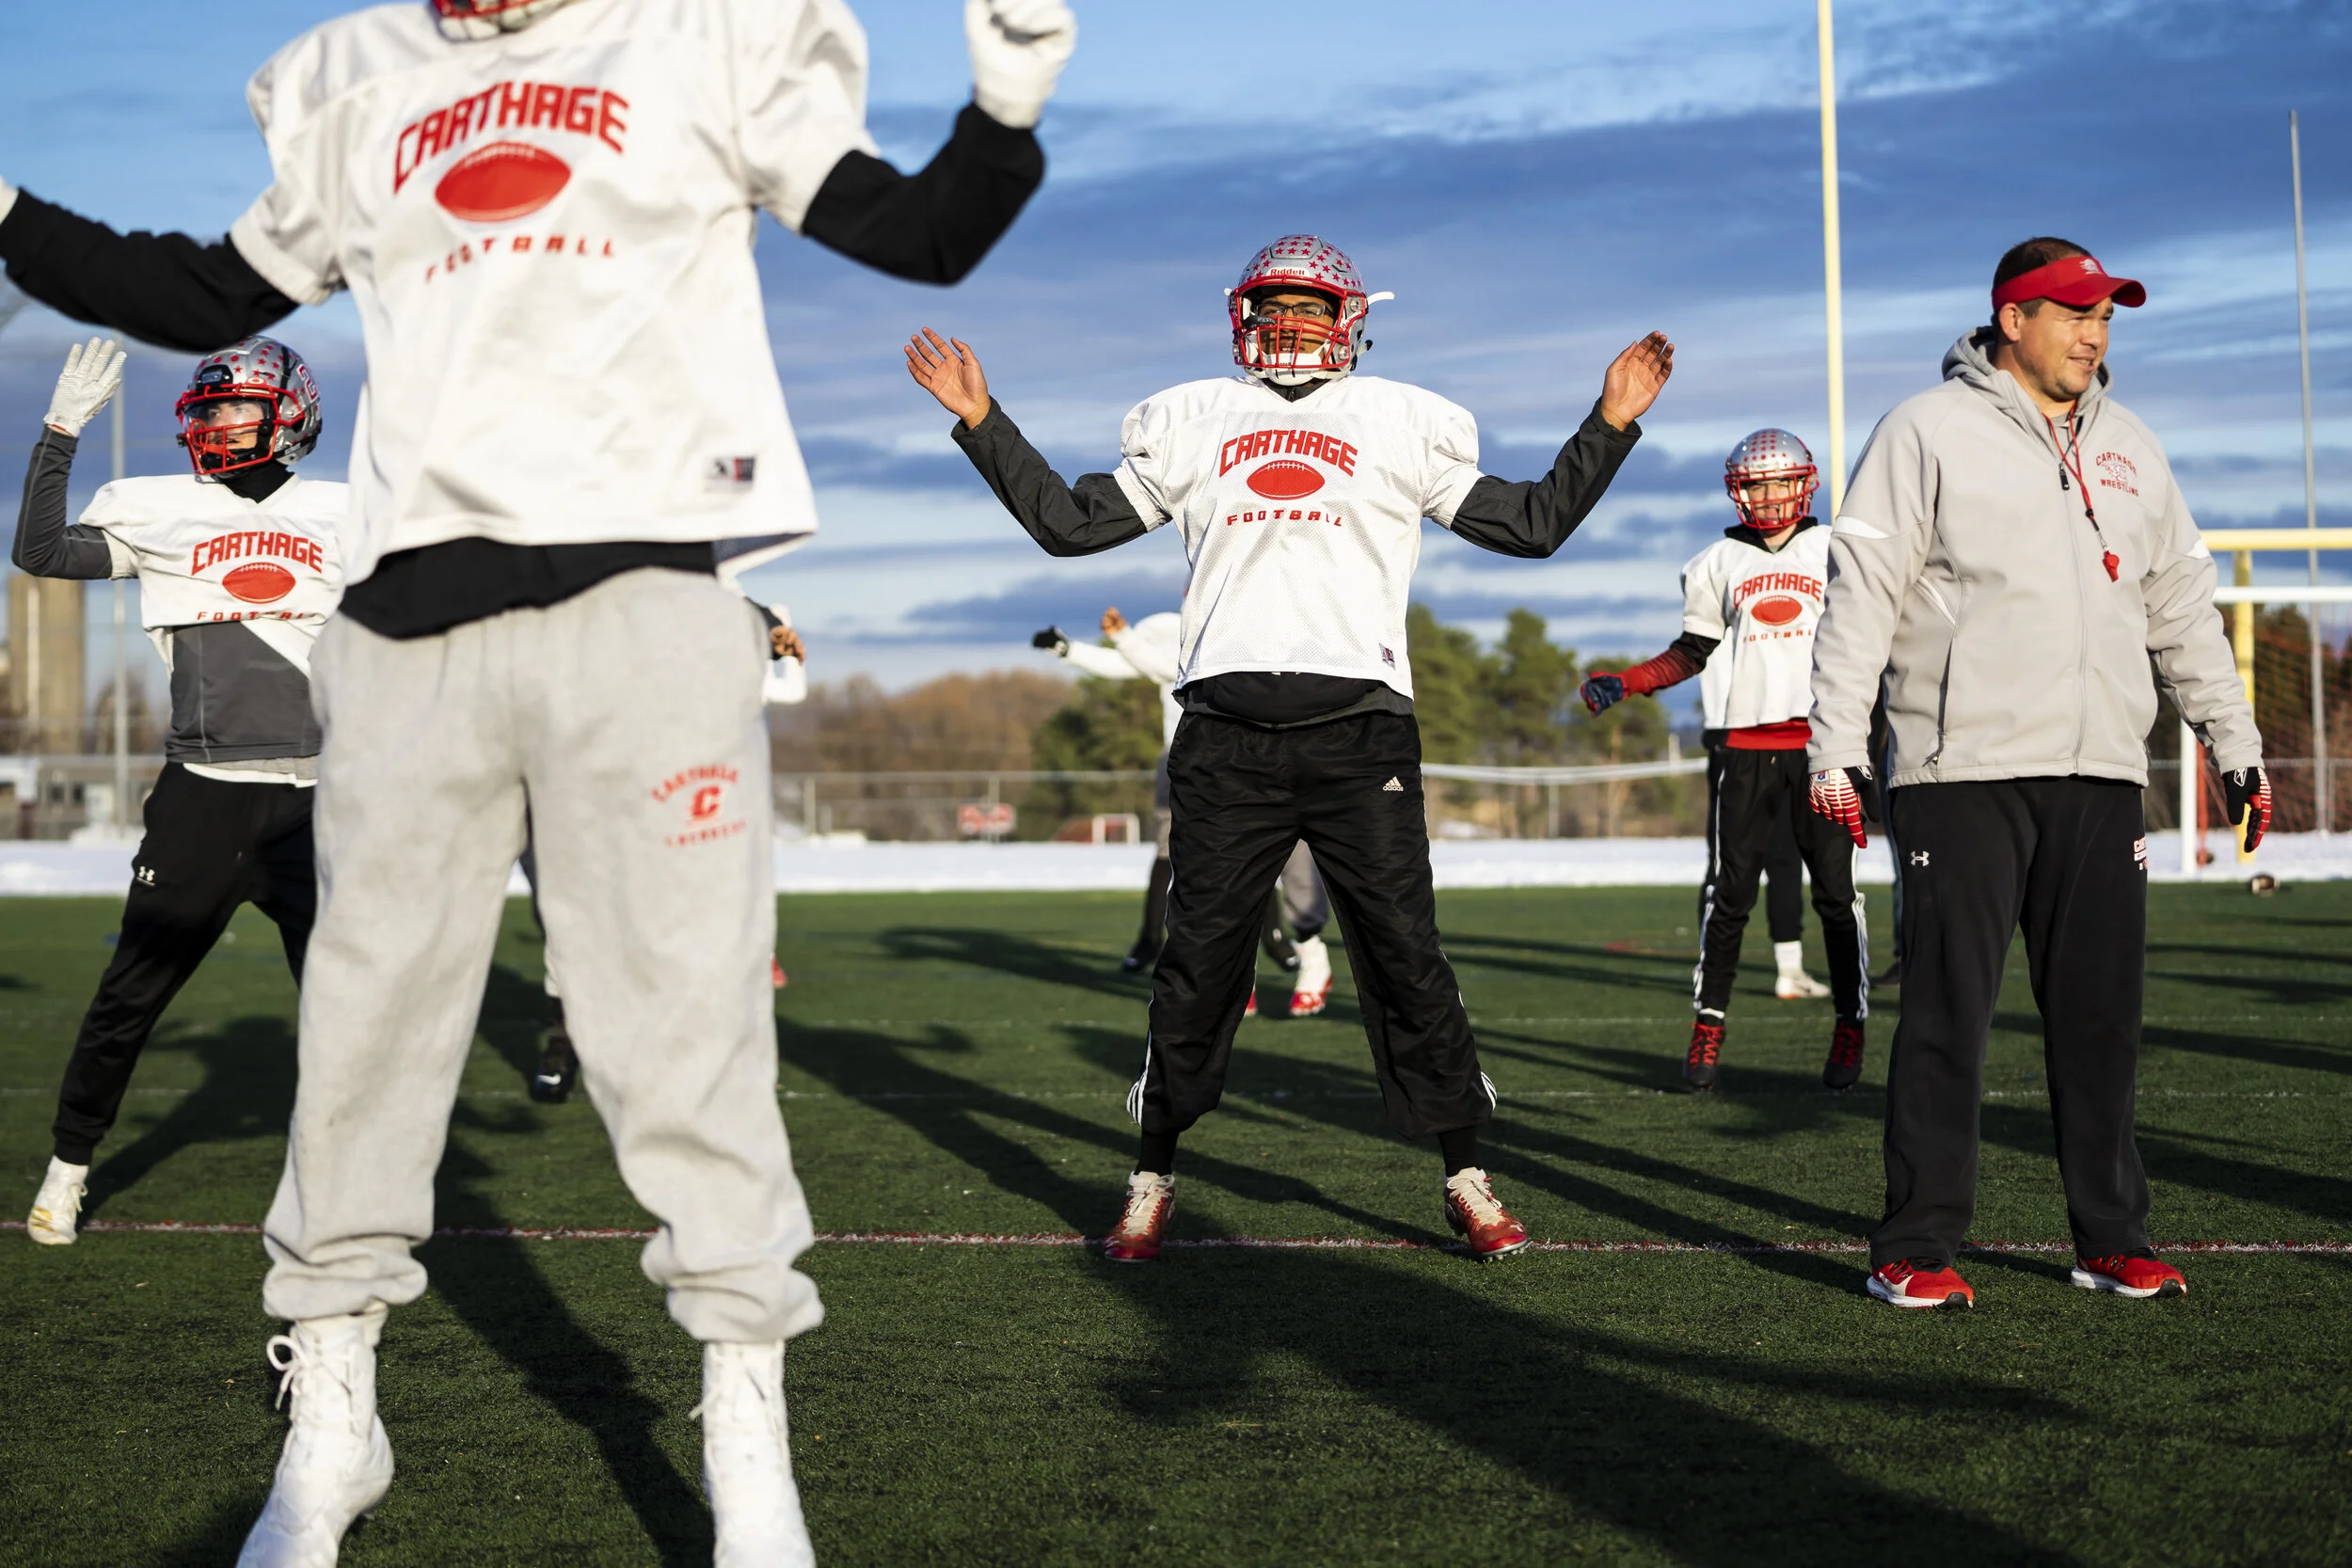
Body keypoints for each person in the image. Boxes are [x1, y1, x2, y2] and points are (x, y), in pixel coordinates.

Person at [0, 0, 1073, 1560]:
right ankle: (335, 1412)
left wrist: (1008, 92)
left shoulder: (700, 39)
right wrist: (14, 218)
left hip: (646, 594)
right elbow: (207, 285)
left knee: (685, 1017)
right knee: (365, 1023)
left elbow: (923, 235)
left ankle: (745, 1424)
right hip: (405, 617)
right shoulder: (357, 76)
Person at [907, 233, 1673, 1263]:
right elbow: (1068, 527)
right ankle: (1151, 1177)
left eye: (1311, 310)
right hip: (1224, 739)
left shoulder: (1401, 421)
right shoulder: (1193, 420)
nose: (1290, 327)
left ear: (1351, 321)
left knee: (1406, 958)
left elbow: (1530, 525)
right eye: (1273, 309)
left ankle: (1463, 1172)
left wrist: (1609, 423)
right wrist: (982, 422)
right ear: (1241, 318)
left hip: (1362, 734)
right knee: (1197, 966)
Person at [1807, 237, 2268, 1310]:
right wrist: (1835, 742)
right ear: (2010, 319)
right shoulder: (1923, 432)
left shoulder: (2133, 447)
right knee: (1947, 1017)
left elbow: (2182, 612)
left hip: (2102, 772)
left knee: (2101, 1019)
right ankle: (1912, 1244)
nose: (2094, 331)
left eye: (2105, 313)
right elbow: (1860, 594)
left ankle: (2109, 1234)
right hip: (1958, 768)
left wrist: (2232, 743)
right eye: (2072, 312)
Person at [21, 335, 344, 1245]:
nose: (213, 422)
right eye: (203, 409)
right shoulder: (159, 509)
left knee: (344, 1011)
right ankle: (68, 1167)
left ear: (290, 412)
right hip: (203, 797)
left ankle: (336, 1182)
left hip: (320, 803)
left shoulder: (353, 512)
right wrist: (60, 431)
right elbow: (41, 551)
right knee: (131, 994)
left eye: (232, 405)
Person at [1582, 429, 1867, 1091]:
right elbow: (1690, 652)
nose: (1770, 496)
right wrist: (1626, 682)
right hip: (1745, 749)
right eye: (1757, 483)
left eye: (1780, 481)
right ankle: (1708, 1022)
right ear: (1738, 489)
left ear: (1806, 482)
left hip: (1823, 745)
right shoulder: (1714, 562)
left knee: (1834, 892)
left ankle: (1850, 1022)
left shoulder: (1837, 551)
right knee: (1729, 895)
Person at [525, 598, 805, 1104]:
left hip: (640, 779)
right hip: (557, 772)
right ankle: (566, 1042)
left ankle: (675, 1053)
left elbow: (681, 585)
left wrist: (764, 626)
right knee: (567, 915)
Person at [1036, 606, 1336, 1015]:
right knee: (1216, 870)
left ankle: (1311, 957)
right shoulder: (1174, 629)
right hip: (1195, 760)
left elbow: (1165, 662)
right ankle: (1235, 973)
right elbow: (1149, 666)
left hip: (1267, 752)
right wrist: (1072, 651)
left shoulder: (1267, 619)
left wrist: (1124, 638)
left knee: (1290, 861)